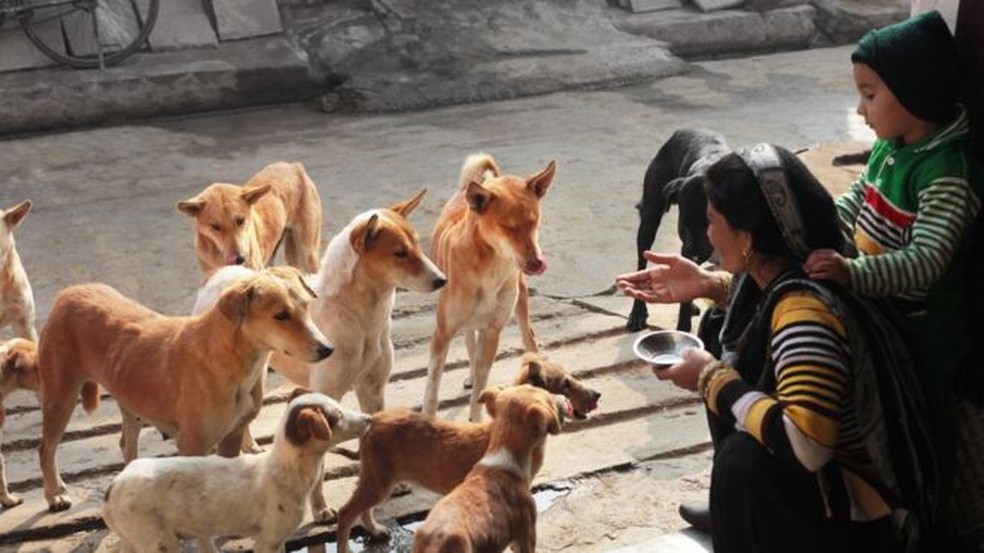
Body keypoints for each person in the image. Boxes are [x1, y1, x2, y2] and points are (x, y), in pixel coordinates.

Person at [617, 144, 927, 553]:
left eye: (712, 222)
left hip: (862, 515)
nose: (707, 236)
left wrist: (711, 378)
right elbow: (761, 309)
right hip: (829, 490)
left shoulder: (805, 314)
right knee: (716, 323)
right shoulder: (789, 271)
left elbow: (807, 446)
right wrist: (708, 285)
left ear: (746, 238)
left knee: (742, 465)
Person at [803, 10, 982, 509]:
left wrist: (851, 273)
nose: (860, 110)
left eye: (870, 94)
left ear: (915, 93)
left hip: (924, 335)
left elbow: (926, 261)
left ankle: (928, 512)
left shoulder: (947, 172)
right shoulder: (890, 148)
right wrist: (817, 228)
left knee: (922, 427)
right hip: (882, 311)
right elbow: (857, 200)